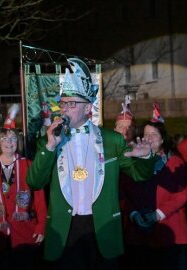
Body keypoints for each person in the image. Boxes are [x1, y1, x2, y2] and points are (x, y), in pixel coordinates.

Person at [26, 58, 155, 270]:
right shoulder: (49, 140)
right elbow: (34, 182)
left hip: (101, 226)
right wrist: (49, 146)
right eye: (63, 103)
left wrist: (146, 158)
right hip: (66, 229)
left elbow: (139, 175)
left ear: (87, 107)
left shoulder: (112, 140)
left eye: (72, 104)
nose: (65, 109)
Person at [120, 102, 187, 270]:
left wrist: (158, 214)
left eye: (154, 134)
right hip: (138, 233)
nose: (149, 138)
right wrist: (134, 213)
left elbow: (182, 194)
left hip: (169, 230)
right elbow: (123, 193)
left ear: (163, 138)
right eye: (146, 134)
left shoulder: (174, 162)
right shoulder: (133, 164)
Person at [0, 117, 47, 270]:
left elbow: (39, 199)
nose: (9, 142)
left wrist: (41, 227)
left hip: (25, 232)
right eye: (4, 139)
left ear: (18, 142)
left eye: (13, 138)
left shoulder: (28, 164)